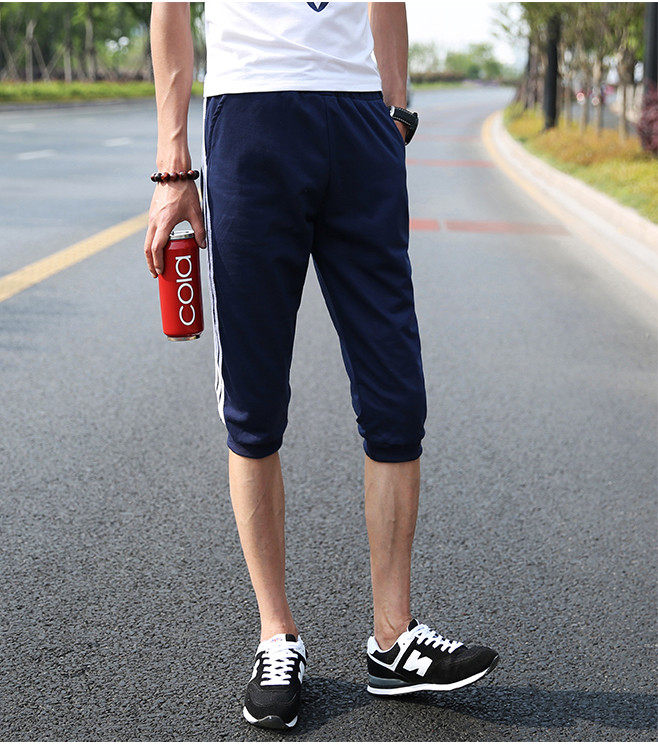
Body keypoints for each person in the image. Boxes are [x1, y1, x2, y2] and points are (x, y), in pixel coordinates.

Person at [145, 1, 498, 730]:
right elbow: (170, 8)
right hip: (252, 118)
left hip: (360, 121)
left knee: (397, 392)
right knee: (254, 401)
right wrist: (174, 166)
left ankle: (394, 640)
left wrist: (395, 112)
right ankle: (277, 635)